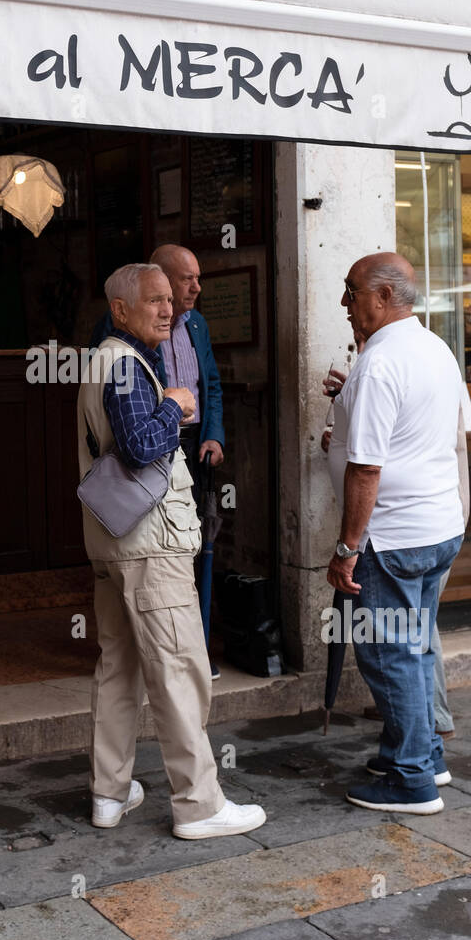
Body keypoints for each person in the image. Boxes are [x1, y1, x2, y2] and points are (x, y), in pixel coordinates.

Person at [78, 262, 266, 839]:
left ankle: (109, 794)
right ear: (120, 310)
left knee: (119, 667)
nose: (168, 309)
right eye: (155, 300)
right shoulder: (128, 366)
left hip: (115, 544)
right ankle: (199, 804)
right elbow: (138, 447)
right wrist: (178, 404)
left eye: (169, 300)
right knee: (180, 669)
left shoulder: (104, 358)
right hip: (149, 547)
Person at [326, 253, 464, 815]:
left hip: (394, 536)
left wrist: (346, 549)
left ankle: (411, 780)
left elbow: (366, 469)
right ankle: (423, 753)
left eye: (352, 291)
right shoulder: (433, 347)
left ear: (384, 296)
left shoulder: (381, 363)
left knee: (389, 655)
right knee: (416, 646)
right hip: (437, 528)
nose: (345, 303)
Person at [92, 245, 225, 490]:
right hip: (154, 446)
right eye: (187, 279)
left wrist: (213, 435)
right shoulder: (121, 350)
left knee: (186, 516)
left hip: (194, 443)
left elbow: (212, 385)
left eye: (198, 278)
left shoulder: (197, 324)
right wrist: (174, 406)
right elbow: (138, 447)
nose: (197, 288)